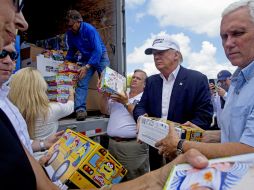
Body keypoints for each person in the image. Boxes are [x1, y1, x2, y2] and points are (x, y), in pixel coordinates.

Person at [155, 0, 254, 160]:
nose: (228, 43)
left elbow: (249, 150)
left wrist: (181, 144)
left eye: (238, 33)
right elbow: (236, 135)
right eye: (224, 36)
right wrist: (203, 135)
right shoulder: (239, 80)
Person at [133, 36, 213, 170]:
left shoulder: (197, 79)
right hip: (156, 148)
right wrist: (141, 117)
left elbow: (204, 117)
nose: (156, 57)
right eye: (154, 54)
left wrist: (182, 135)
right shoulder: (152, 81)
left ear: (176, 55)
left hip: (184, 151)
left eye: (161, 52)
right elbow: (141, 106)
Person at [8, 67, 74, 159]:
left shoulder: (10, 111)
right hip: (47, 160)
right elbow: (70, 107)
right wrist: (71, 93)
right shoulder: (51, 110)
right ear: (41, 87)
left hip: (25, 161)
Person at [100, 69, 149, 181]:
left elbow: (143, 119)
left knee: (134, 180)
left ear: (145, 84)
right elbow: (104, 110)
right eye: (134, 77)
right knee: (112, 179)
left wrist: (125, 102)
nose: (134, 79)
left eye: (138, 78)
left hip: (132, 147)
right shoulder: (120, 93)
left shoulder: (146, 98)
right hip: (112, 144)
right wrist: (104, 95)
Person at [64, 9, 110, 121]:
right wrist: (67, 63)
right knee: (81, 80)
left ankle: (110, 109)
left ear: (78, 21)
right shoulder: (70, 33)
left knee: (107, 83)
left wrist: (87, 66)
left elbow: (97, 50)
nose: (69, 28)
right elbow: (72, 50)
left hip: (100, 56)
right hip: (86, 57)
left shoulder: (89, 30)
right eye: (68, 26)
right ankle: (80, 110)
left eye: (71, 25)